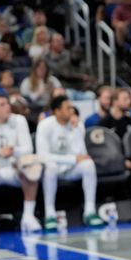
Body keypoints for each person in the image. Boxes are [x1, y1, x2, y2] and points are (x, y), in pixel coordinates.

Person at [36, 95, 104, 230]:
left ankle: (89, 212)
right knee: (51, 167)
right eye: (68, 108)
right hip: (53, 169)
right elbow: (42, 156)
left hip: (71, 168)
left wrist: (75, 131)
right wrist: (71, 159)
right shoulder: (45, 125)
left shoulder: (77, 125)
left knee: (88, 164)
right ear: (57, 111)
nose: (72, 110)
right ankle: (50, 214)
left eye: (72, 107)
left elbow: (81, 154)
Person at [0, 94, 43, 232]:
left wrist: (13, 151)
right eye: (2, 104)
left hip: (14, 168)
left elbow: (28, 148)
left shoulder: (19, 120)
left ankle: (28, 216)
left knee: (32, 165)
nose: (8, 107)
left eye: (7, 103)